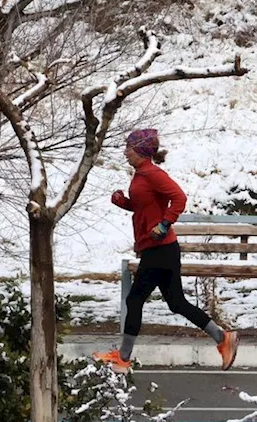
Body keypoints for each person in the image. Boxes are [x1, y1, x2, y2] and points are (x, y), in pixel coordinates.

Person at [93, 128, 239, 373]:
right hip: (161, 249)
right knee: (176, 302)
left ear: (140, 150)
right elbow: (145, 206)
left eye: (129, 147)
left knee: (135, 299)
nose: (125, 152)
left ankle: (123, 357)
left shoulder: (152, 173)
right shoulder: (140, 174)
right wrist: (124, 203)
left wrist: (164, 224)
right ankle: (222, 338)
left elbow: (179, 198)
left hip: (160, 249)